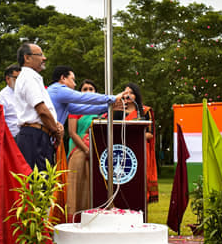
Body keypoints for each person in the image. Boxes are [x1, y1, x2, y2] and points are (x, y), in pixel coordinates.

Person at [14, 43, 64, 171]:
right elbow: (42, 111)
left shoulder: (32, 77)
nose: (44, 58)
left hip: (38, 135)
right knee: (38, 179)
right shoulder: (28, 77)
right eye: (40, 55)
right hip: (34, 136)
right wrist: (56, 131)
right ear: (27, 58)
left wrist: (55, 125)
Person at [113, 82, 159, 204]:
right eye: (125, 92)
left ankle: (141, 205)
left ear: (136, 95)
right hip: (122, 152)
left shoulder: (144, 111)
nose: (128, 95)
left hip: (140, 152)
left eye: (131, 92)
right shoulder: (118, 112)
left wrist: (133, 137)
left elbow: (150, 134)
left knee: (139, 181)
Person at [66, 79, 104, 222]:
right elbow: (72, 132)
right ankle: (75, 220)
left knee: (94, 185)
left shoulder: (102, 110)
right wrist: (86, 149)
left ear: (96, 92)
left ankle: (94, 220)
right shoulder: (74, 108)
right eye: (85, 89)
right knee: (77, 185)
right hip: (78, 150)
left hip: (98, 152)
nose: (88, 91)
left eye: (91, 89)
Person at [46, 66, 122, 125]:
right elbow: (84, 97)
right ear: (63, 78)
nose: (75, 84)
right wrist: (114, 98)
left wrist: (109, 107)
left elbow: (84, 108)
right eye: (72, 79)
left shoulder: (59, 95)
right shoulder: (59, 89)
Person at [0, 64, 21, 177]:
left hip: (25, 141)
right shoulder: (0, 98)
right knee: (7, 179)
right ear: (8, 79)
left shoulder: (25, 95)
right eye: (17, 78)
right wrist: (1, 148)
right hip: (7, 143)